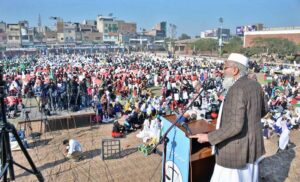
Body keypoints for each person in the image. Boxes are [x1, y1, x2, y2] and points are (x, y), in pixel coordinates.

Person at [189, 53, 268, 182]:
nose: (222, 71)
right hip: (252, 147)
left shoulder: (237, 89)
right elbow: (264, 110)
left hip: (236, 151)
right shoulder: (255, 85)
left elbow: (235, 126)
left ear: (235, 70)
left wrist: (208, 137)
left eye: (225, 68)